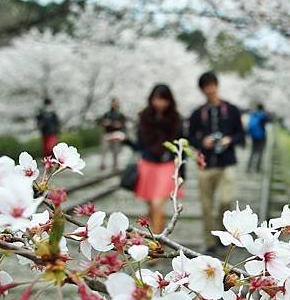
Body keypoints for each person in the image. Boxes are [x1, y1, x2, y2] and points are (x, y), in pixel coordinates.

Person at [188, 71, 245, 253]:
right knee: (206, 205)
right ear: (202, 89)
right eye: (206, 86)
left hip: (227, 162)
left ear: (217, 85)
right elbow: (189, 136)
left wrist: (230, 140)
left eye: (212, 85)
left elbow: (241, 134)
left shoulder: (231, 110)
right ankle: (209, 241)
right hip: (205, 165)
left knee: (225, 200)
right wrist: (202, 142)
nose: (210, 89)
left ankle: (222, 234)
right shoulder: (198, 113)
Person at [134, 85, 184, 234]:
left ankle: (156, 246)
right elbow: (139, 144)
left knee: (157, 204)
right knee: (151, 206)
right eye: (157, 99)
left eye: (164, 100)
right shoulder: (144, 116)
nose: (160, 103)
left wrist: (182, 172)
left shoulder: (175, 118)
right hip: (148, 164)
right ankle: (156, 236)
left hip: (167, 166)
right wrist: (125, 140)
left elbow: (180, 145)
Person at [98, 97, 127, 171]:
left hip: (117, 134)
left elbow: (123, 125)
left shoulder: (120, 115)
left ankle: (116, 165)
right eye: (113, 103)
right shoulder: (107, 114)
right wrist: (105, 123)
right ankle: (102, 163)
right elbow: (100, 122)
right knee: (104, 149)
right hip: (107, 133)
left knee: (116, 150)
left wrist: (120, 126)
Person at [246, 103, 270, 173]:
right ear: (263, 108)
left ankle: (248, 168)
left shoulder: (253, 114)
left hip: (254, 137)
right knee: (260, 153)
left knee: (252, 152)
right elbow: (269, 121)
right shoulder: (263, 116)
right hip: (262, 137)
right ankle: (258, 168)